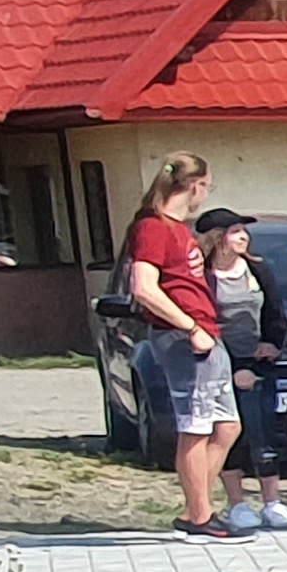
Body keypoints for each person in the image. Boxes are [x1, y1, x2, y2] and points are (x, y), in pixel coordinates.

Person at [121, 153, 242, 543]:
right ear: (195, 186)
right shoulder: (152, 227)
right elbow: (144, 287)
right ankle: (200, 516)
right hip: (184, 337)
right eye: (207, 187)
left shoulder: (181, 230)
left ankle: (195, 506)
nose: (205, 194)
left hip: (207, 332)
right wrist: (189, 327)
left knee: (227, 426)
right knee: (195, 426)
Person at [192, 208, 287, 534]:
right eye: (235, 231)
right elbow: (202, 321)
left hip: (258, 361)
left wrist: (272, 344)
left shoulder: (257, 269)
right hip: (220, 364)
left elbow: (275, 312)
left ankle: (272, 501)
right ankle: (236, 503)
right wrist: (232, 368)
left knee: (264, 430)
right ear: (217, 238)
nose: (243, 237)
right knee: (230, 434)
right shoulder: (203, 275)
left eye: (243, 231)